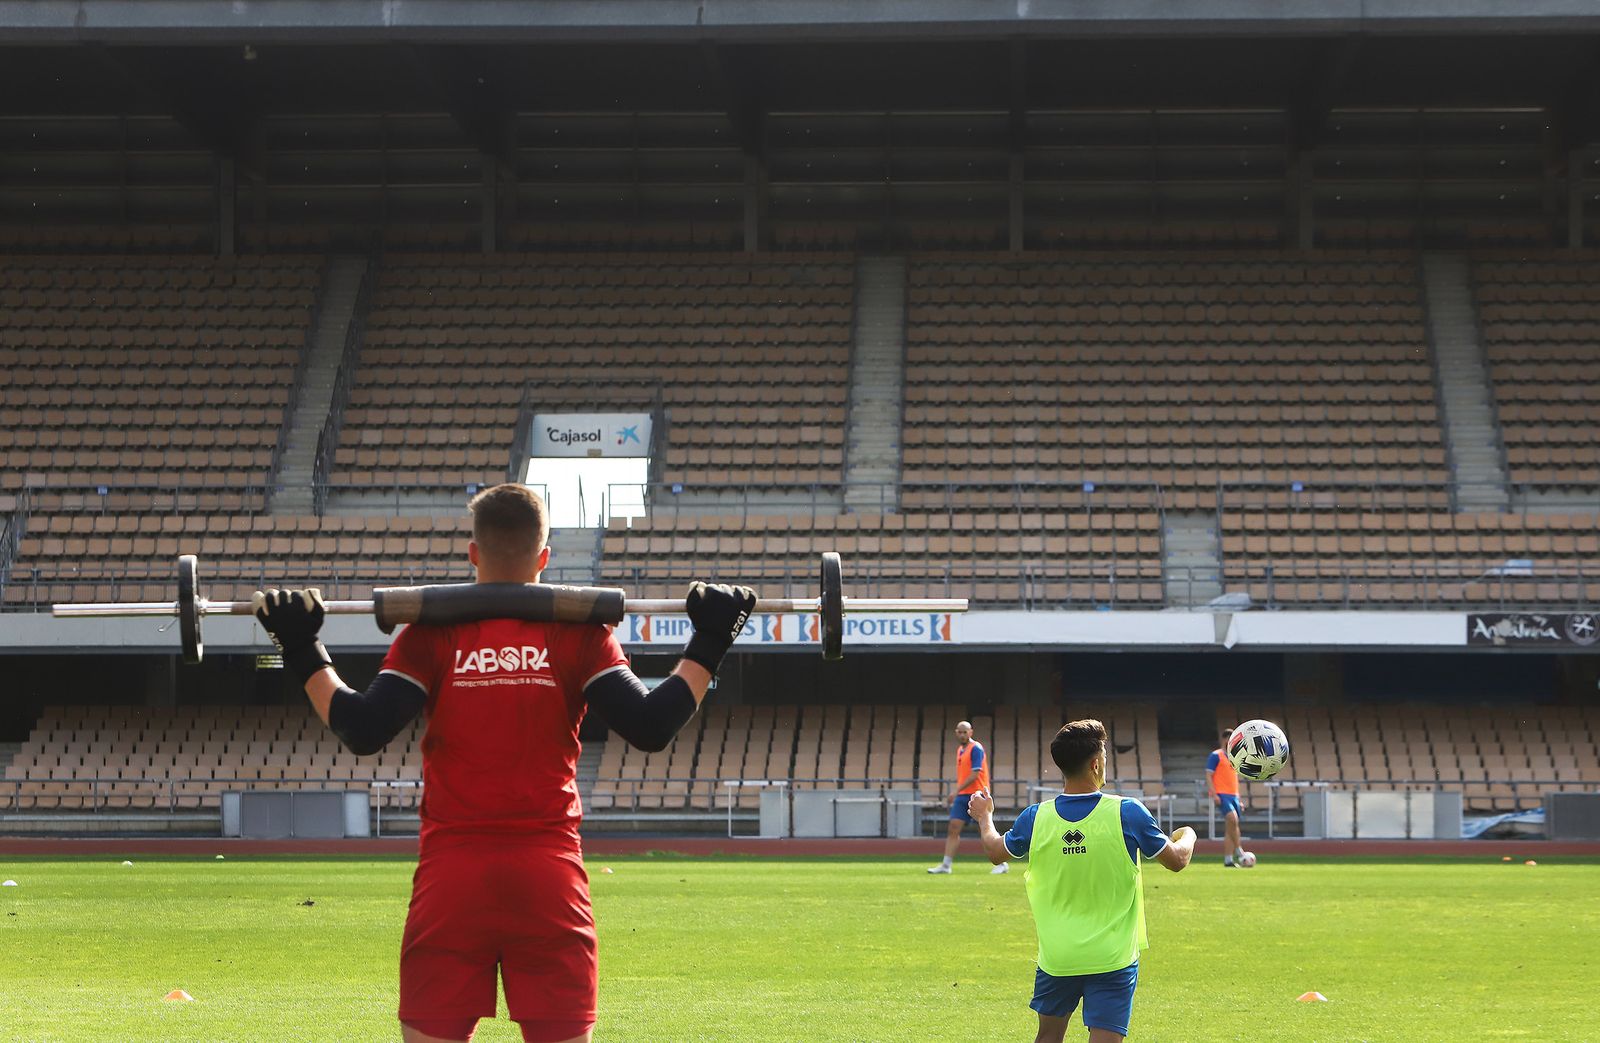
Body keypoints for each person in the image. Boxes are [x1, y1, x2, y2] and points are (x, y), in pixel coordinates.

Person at [252, 483, 756, 1043]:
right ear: (545, 557)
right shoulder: (580, 633)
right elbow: (651, 725)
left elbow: (363, 728)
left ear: (473, 552)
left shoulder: (431, 632)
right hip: (548, 877)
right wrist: (710, 641)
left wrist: (300, 648)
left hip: (452, 878)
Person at [970, 719, 1195, 1043]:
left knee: (1048, 1037)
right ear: (1095, 763)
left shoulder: (1036, 817)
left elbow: (995, 851)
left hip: (1058, 957)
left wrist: (984, 816)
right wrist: (1189, 833)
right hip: (1112, 956)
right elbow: (1177, 860)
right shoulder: (1127, 812)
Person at [927, 720, 1007, 874]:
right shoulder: (960, 750)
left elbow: (975, 774)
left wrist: (956, 790)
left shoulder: (975, 748)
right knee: (953, 828)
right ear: (956, 733)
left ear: (971, 732)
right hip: (963, 795)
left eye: (966, 732)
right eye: (960, 732)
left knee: (984, 829)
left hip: (977, 794)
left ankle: (1001, 863)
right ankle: (946, 865)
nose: (963, 735)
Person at [1206, 730, 1246, 867]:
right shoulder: (1215, 755)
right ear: (1224, 739)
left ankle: (1228, 859)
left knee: (1231, 827)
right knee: (1232, 819)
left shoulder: (1235, 757)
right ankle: (1239, 851)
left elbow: (1235, 779)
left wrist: (1239, 798)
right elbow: (1208, 775)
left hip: (1234, 795)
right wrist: (1214, 793)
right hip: (1222, 794)